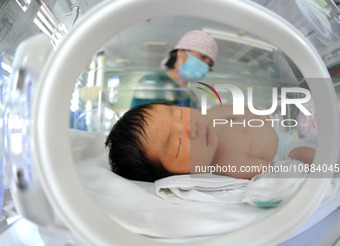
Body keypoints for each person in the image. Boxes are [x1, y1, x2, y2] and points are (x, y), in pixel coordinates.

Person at [105, 102, 315, 182]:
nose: (189, 127)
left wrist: (256, 113)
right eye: (178, 145)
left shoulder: (212, 115)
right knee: (307, 158)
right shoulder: (229, 164)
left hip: (279, 125)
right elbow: (273, 168)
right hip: (285, 148)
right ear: (178, 175)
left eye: (178, 114)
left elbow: (238, 109)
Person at [130, 30, 218, 109]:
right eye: (203, 57)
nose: (205, 65)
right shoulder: (154, 80)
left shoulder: (189, 92)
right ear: (181, 51)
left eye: (209, 65)